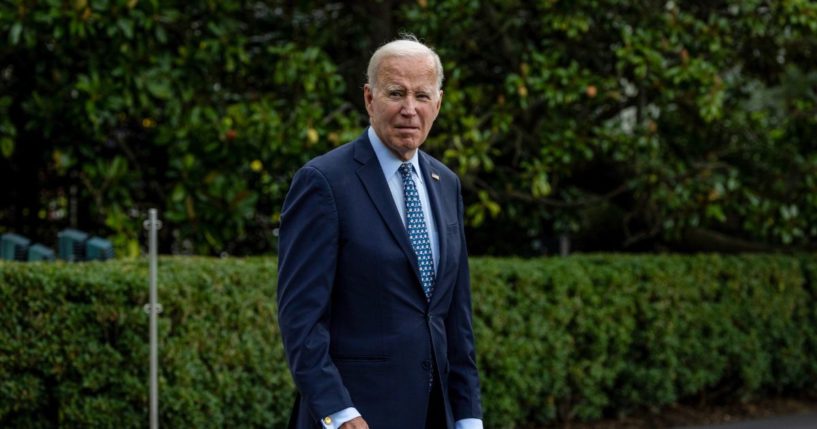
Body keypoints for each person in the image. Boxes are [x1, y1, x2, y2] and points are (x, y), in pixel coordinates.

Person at [277, 35, 483, 429]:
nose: (410, 109)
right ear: (369, 99)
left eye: (422, 96)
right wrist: (338, 411)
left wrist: (469, 415)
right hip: (355, 416)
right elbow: (300, 318)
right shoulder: (324, 182)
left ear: (438, 104)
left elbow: (456, 319)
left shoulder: (446, 183)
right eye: (395, 93)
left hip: (435, 415)